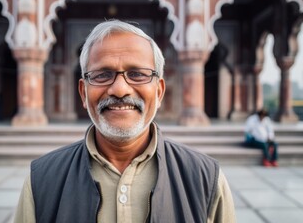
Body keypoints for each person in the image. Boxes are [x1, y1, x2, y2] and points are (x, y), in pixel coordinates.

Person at [14, 20, 236, 223]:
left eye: (137, 74)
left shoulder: (205, 180)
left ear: (158, 91)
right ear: (83, 92)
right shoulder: (42, 181)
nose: (120, 89)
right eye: (102, 74)